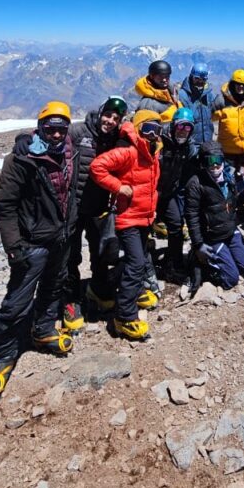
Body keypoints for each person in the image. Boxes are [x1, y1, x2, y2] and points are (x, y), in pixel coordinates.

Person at [0, 101, 78, 399]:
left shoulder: (69, 152)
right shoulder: (21, 159)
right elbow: (5, 206)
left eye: (60, 129)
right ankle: (2, 358)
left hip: (61, 238)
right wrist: (14, 247)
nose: (55, 135)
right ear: (40, 128)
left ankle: (43, 330)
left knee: (53, 288)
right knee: (17, 302)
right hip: (32, 243)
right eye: (50, 129)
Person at [89, 110, 163, 341]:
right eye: (148, 128)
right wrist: (118, 187)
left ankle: (128, 291)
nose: (152, 134)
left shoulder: (152, 153)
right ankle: (125, 317)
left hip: (144, 217)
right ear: (138, 128)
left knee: (137, 261)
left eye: (157, 130)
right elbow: (97, 167)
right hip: (128, 218)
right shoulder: (129, 151)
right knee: (136, 262)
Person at [62, 95, 129, 330]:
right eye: (108, 114)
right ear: (101, 111)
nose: (110, 121)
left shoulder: (116, 141)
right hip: (72, 207)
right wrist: (23, 140)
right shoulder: (78, 132)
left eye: (116, 118)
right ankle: (70, 300)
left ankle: (98, 290)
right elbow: (49, 137)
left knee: (99, 252)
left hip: (98, 207)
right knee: (70, 255)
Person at [184, 141, 244, 289]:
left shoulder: (230, 176)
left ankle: (228, 255)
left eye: (218, 160)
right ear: (203, 163)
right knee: (231, 280)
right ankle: (198, 261)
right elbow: (191, 216)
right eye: (210, 161)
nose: (215, 165)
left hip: (230, 230)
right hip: (212, 237)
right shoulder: (195, 183)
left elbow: (240, 201)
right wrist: (199, 245)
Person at [155, 107, 199, 279]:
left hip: (169, 193)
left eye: (188, 128)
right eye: (181, 126)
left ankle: (175, 262)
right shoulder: (159, 140)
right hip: (150, 193)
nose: (183, 131)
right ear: (173, 125)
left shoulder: (188, 148)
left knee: (176, 225)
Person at [212, 68, 244, 171]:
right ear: (233, 84)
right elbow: (210, 121)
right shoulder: (221, 101)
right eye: (238, 84)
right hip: (227, 153)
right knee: (228, 179)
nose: (241, 87)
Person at [177, 61, 215, 145]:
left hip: (207, 142)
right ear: (191, 77)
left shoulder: (208, 95)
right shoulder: (182, 95)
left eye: (203, 79)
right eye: (197, 78)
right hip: (190, 143)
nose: (200, 81)